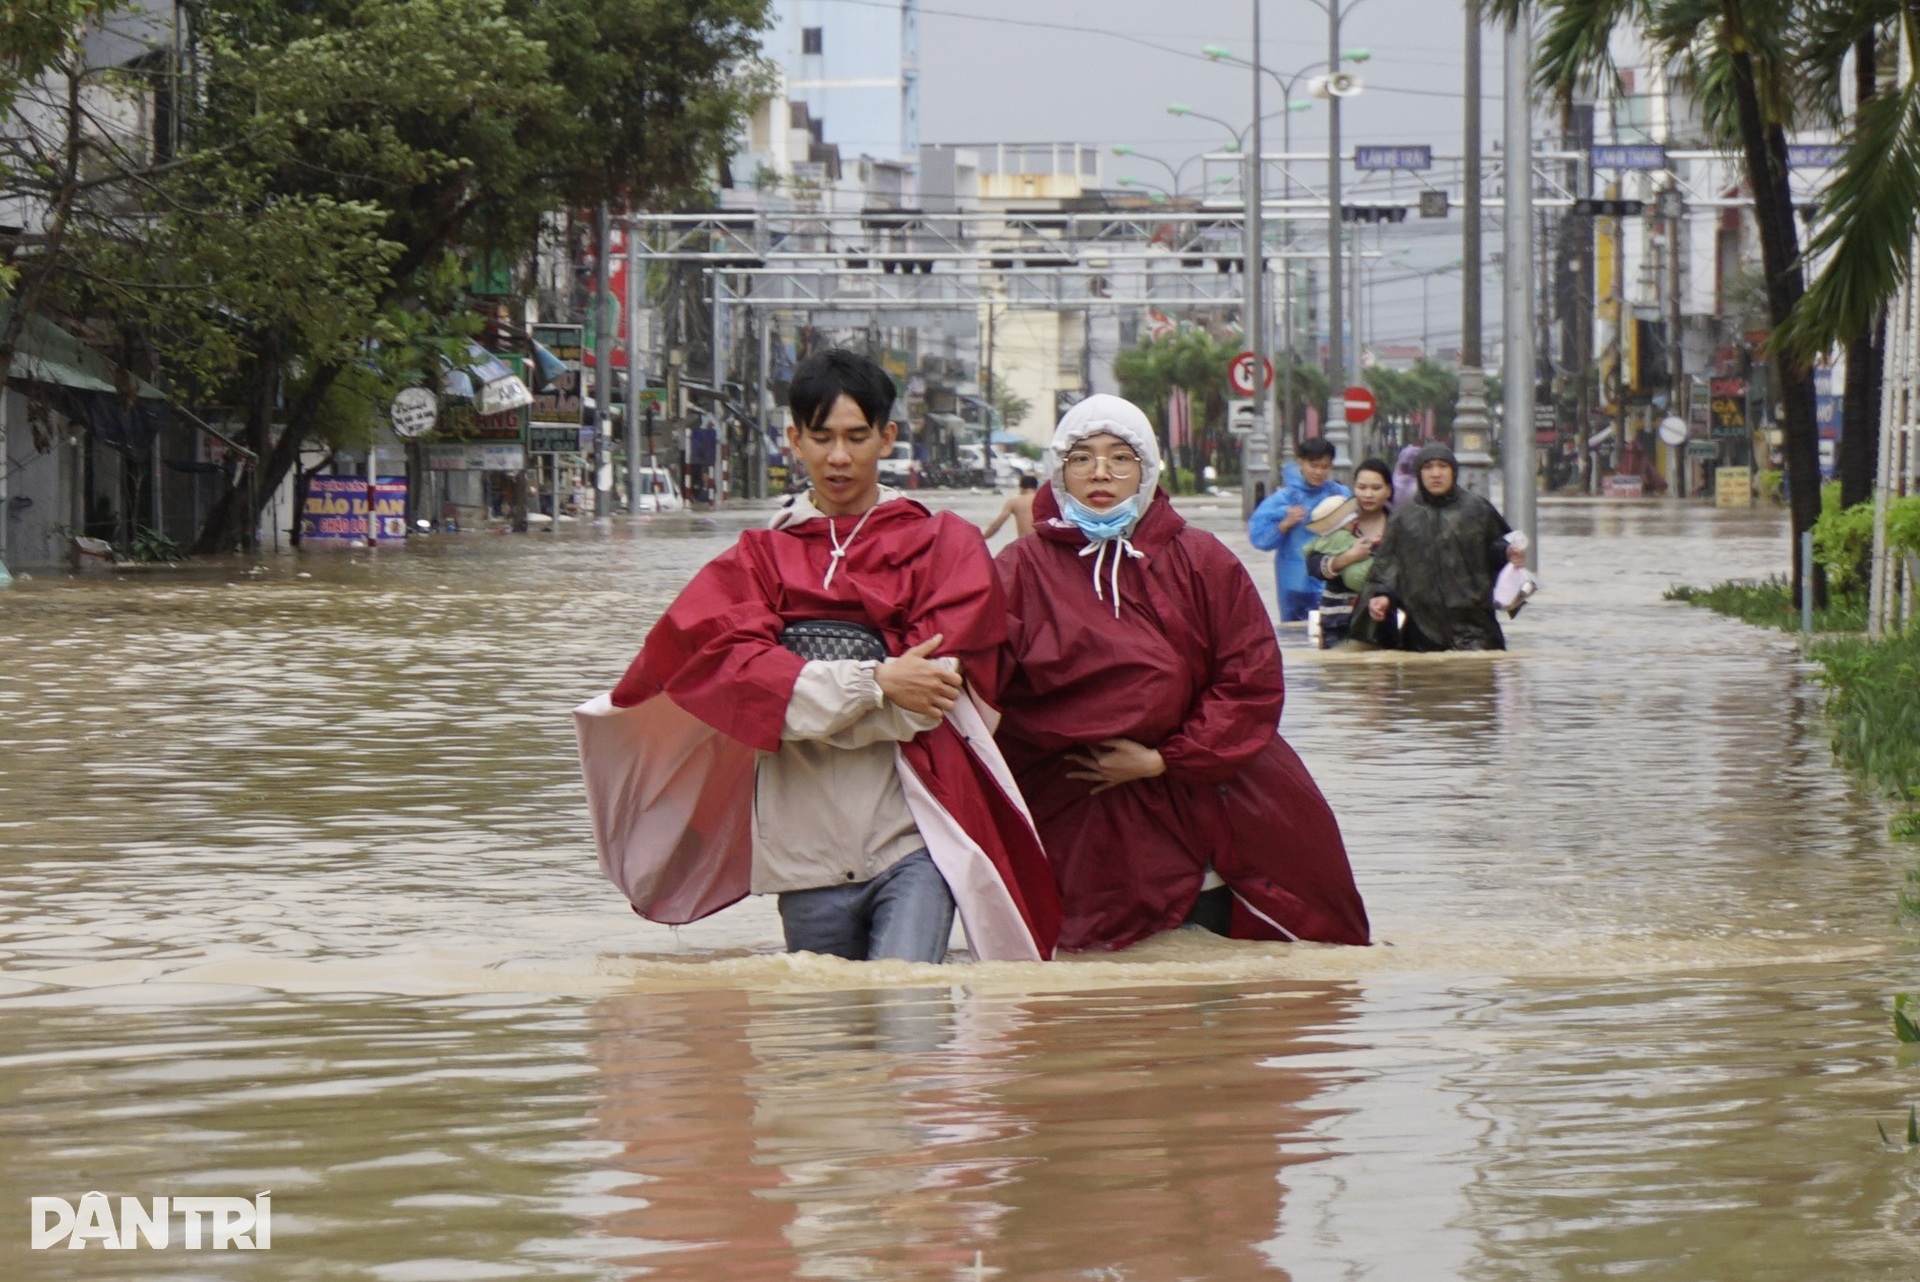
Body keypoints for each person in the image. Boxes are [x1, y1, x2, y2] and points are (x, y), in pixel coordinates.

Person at [573, 349, 1061, 963]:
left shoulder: (945, 547)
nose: (839, 457)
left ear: (887, 438)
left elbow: (926, 700)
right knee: (826, 1023)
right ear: (794, 441)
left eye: (856, 437)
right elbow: (738, 685)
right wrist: (876, 681)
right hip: (803, 860)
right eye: (822, 437)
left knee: (908, 1007)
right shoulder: (754, 561)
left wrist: (796, 692)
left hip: (914, 841)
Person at [991, 394, 1371, 953]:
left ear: (1146, 469)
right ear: (1060, 470)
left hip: (1202, 799)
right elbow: (983, 687)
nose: (1101, 473)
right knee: (1085, 979)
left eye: (1121, 458)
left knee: (1230, 979)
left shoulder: (1202, 560)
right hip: (1077, 815)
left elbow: (1250, 680)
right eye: (1082, 458)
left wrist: (1165, 759)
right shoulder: (1020, 569)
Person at [1363, 441, 1527, 651]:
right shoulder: (1403, 518)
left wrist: (1510, 553)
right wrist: (1382, 596)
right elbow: (1387, 567)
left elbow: (1498, 548)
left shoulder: (1477, 509)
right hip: (1421, 633)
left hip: (1477, 630)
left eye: (1443, 466)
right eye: (1428, 467)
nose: (1436, 474)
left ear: (1453, 471)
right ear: (1419, 473)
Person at [1248, 437, 1349, 622]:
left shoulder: (1340, 495)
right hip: (1294, 583)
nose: (1319, 472)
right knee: (1294, 632)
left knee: (1333, 628)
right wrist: (1284, 524)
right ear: (1301, 463)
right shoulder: (1284, 498)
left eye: (1325, 467)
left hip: (1332, 579)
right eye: (1314, 465)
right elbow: (1259, 538)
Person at [1303, 457, 1396, 649]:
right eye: (1362, 487)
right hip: (1337, 621)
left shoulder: (1398, 527)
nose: (1368, 494)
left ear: (1388, 490)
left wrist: (1387, 598)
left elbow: (1406, 575)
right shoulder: (1339, 521)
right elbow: (1313, 565)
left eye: (1376, 488)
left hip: (1381, 624)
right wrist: (1348, 558)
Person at [983, 473, 1039, 539]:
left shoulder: (1014, 502)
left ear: (1021, 488)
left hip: (1025, 542)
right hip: (1043, 543)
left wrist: (982, 538)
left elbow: (997, 524)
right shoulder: (1043, 500)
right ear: (1036, 488)